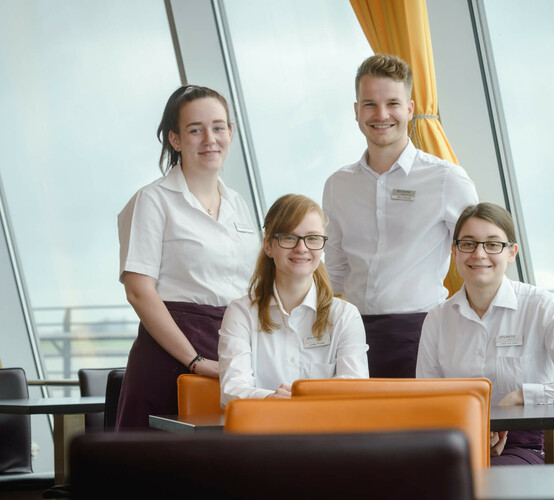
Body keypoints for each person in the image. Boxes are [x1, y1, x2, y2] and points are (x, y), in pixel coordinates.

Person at [322, 54, 479, 378]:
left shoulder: (446, 179)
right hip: (352, 335)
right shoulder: (338, 185)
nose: (381, 115)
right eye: (370, 104)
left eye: (392, 103)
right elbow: (334, 270)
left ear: (409, 109)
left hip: (423, 332)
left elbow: (482, 256)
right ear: (356, 111)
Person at [116, 85, 259, 429]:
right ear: (176, 140)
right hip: (171, 353)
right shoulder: (153, 200)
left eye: (219, 127)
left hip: (232, 350)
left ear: (231, 133)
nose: (210, 138)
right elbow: (139, 291)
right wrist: (195, 360)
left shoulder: (238, 204)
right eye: (196, 130)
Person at [416, 202, 554, 465]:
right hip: (454, 442)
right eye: (468, 244)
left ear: (512, 252)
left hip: (521, 447)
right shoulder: (437, 318)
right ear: (454, 252)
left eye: (492, 244)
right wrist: (472, 436)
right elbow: (427, 401)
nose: (479, 254)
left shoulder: (541, 307)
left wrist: (524, 396)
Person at [218, 194, 369, 404]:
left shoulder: (345, 316)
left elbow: (356, 387)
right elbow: (232, 391)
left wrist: (303, 399)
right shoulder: (241, 313)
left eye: (313, 238)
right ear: (268, 246)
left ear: (323, 245)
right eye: (289, 237)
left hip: (325, 433)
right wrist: (274, 399)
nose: (302, 248)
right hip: (262, 431)